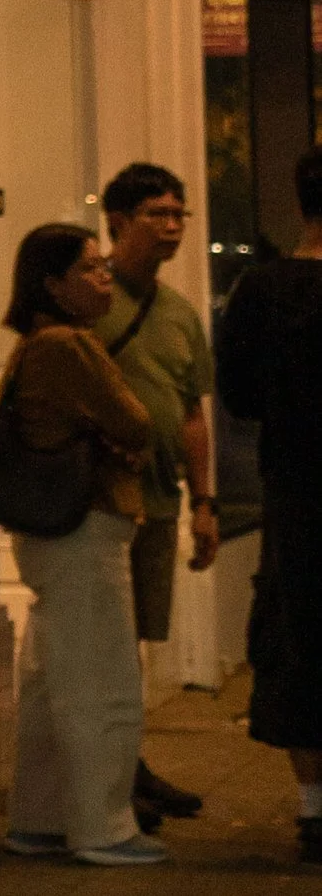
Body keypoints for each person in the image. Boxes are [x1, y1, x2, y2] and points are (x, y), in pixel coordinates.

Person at [0, 223, 164, 866]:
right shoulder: (70, 346)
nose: (104, 278)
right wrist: (120, 432)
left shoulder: (35, 346)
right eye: (91, 268)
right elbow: (137, 421)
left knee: (50, 683)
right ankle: (103, 828)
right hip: (84, 532)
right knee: (102, 681)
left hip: (50, 536)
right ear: (53, 284)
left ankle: (38, 819)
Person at [93, 162, 219, 823]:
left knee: (137, 638)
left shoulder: (177, 311)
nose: (171, 227)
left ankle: (128, 767)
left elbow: (192, 412)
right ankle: (109, 780)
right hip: (99, 504)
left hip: (160, 500)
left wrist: (204, 502)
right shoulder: (90, 296)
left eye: (179, 214)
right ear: (117, 220)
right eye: (157, 214)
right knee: (107, 643)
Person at [215, 143, 322, 865]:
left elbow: (241, 394)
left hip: (298, 486)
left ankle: (316, 808)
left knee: (301, 633)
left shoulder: (262, 289)